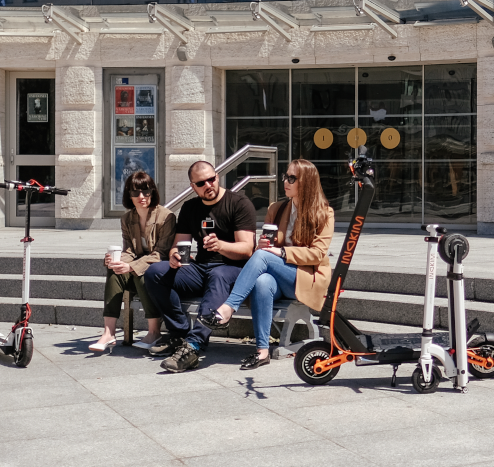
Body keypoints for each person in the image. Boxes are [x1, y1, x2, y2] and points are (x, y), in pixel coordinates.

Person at [198, 159, 334, 370]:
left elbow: (317, 254)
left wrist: (279, 251)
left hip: (306, 277)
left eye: (292, 178)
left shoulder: (325, 213)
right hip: (279, 275)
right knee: (262, 281)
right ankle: (262, 351)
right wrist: (265, 243)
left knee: (263, 257)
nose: (285, 182)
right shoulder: (277, 208)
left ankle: (227, 309)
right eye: (285, 177)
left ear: (306, 182)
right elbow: (267, 245)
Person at [144, 161, 256, 372]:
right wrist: (175, 255)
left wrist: (221, 246)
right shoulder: (190, 207)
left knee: (219, 275)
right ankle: (180, 334)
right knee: (155, 272)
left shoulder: (239, 203)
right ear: (193, 186)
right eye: (201, 183)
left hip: (233, 269)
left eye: (211, 179)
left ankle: (193, 346)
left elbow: (247, 249)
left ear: (217, 176)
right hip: (201, 267)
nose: (208, 185)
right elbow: (178, 245)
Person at [89, 171, 175, 352]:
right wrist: (116, 261)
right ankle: (108, 332)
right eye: (135, 193)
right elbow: (128, 249)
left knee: (142, 272)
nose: (141, 197)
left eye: (146, 191)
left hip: (161, 270)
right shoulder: (127, 218)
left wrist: (132, 265)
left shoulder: (166, 216)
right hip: (139, 266)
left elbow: (162, 252)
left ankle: (154, 331)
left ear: (153, 192)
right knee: (115, 270)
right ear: (129, 195)